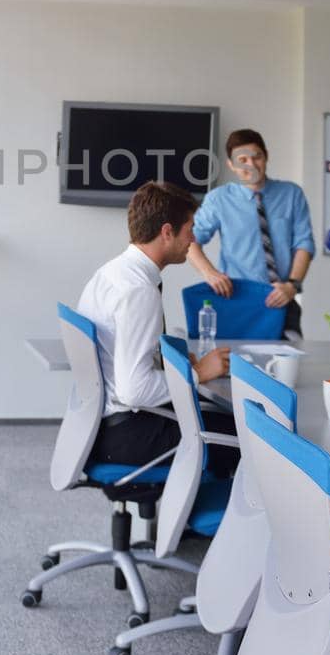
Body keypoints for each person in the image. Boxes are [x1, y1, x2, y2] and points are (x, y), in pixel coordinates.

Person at [81, 181, 235, 476]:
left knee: (213, 414)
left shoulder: (112, 272)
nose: (192, 240)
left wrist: (178, 368)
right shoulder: (139, 291)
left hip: (100, 424)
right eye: (189, 229)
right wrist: (199, 373)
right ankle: (196, 522)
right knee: (241, 438)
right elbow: (135, 391)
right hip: (126, 431)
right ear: (167, 232)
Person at [187, 128, 315, 336]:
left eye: (257, 157)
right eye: (242, 160)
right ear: (231, 164)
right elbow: (190, 241)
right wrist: (210, 274)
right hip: (238, 301)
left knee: (287, 366)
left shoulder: (292, 194)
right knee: (237, 366)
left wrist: (292, 285)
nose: (251, 165)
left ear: (266, 156)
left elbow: (304, 244)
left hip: (281, 297)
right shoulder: (219, 199)